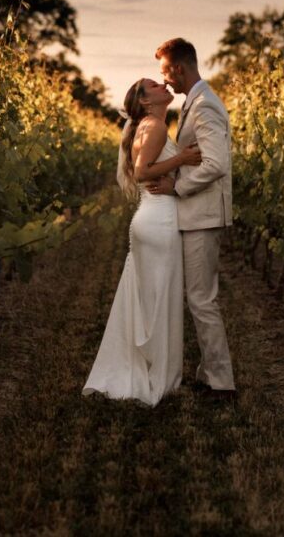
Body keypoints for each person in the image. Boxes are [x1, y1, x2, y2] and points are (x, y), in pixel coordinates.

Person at [82, 78, 202, 406]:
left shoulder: (150, 124)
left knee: (151, 297)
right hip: (159, 221)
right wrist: (183, 159)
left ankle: (151, 368)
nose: (163, 84)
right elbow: (142, 171)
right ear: (146, 101)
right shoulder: (156, 127)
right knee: (161, 299)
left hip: (152, 218)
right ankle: (160, 378)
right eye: (154, 85)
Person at [148, 38, 236, 397]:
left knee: (202, 299)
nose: (164, 81)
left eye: (165, 73)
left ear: (179, 69)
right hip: (197, 215)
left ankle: (221, 383)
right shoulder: (196, 102)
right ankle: (208, 372)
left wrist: (176, 186)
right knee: (200, 297)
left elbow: (216, 164)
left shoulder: (204, 107)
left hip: (201, 215)